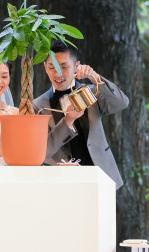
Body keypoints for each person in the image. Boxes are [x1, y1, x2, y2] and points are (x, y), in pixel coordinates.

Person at [33, 39, 129, 189]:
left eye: (64, 66)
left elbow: (122, 103)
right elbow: (42, 151)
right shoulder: (37, 105)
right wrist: (67, 121)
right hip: (58, 183)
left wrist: (95, 78)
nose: (58, 73)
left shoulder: (92, 91)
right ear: (45, 67)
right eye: (52, 67)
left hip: (100, 176)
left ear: (76, 66)